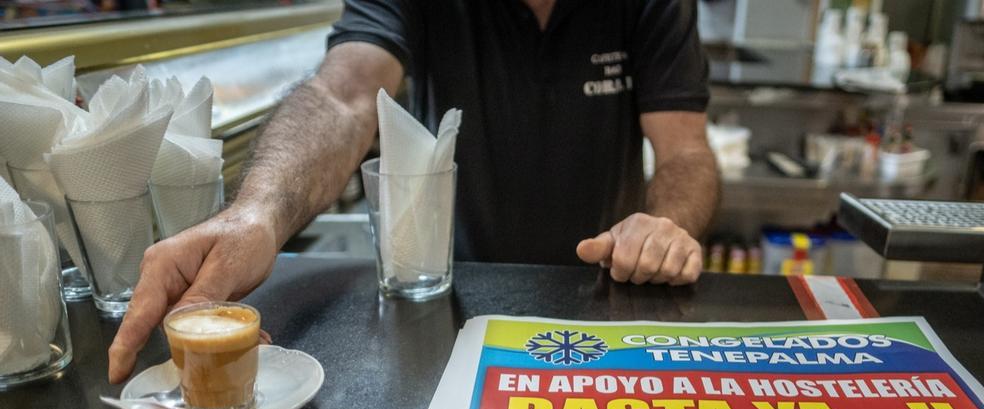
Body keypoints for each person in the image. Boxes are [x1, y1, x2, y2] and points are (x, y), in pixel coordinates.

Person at [108, 0, 719, 383]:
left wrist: (665, 226)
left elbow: (686, 150)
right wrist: (257, 214)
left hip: (605, 301)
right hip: (447, 306)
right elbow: (342, 96)